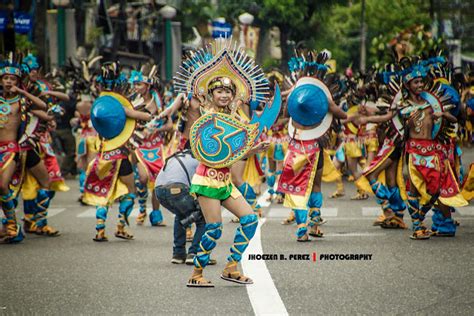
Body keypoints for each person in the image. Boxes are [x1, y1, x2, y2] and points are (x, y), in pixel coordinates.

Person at [166, 39, 277, 287]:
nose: (224, 94)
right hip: (207, 180)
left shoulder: (234, 118)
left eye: (228, 91)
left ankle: (231, 267)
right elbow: (207, 153)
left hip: (224, 180)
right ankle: (196, 275)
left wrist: (253, 149)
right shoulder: (205, 117)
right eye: (219, 91)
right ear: (211, 94)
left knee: (249, 220)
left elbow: (231, 154)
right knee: (214, 228)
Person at [277, 50, 347, 242]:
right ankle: (315, 225)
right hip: (315, 148)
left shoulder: (294, 95)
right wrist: (329, 104)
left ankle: (302, 229)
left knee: (295, 188)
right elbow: (344, 116)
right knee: (315, 185)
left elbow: (285, 114)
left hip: (295, 147)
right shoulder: (324, 99)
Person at [82, 62, 152, 241]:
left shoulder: (99, 107)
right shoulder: (120, 108)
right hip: (120, 158)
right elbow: (148, 117)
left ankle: (99, 230)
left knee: (103, 194)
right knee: (130, 192)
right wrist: (129, 112)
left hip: (103, 156)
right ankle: (120, 226)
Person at [0, 53, 48, 243]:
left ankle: (13, 226)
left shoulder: (20, 102)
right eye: (5, 78)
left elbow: (43, 106)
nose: (9, 81)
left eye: (13, 78)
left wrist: (23, 93)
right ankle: (11, 226)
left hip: (11, 150)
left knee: (3, 185)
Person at [154, 149, 215, 265]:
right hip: (178, 188)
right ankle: (195, 253)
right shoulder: (200, 160)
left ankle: (178, 254)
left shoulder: (179, 155)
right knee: (203, 218)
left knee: (181, 214)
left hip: (159, 191)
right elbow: (204, 187)